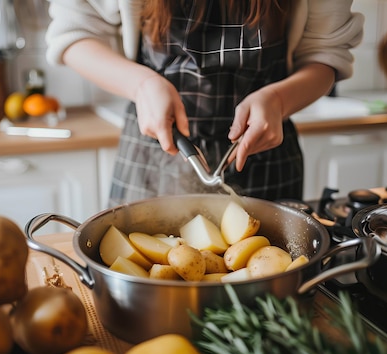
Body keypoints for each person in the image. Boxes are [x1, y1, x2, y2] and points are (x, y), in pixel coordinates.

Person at [46, 0, 364, 206]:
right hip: (151, 156)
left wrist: (279, 100)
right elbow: (75, 33)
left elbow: (326, 54)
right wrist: (142, 85)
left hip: (265, 155)